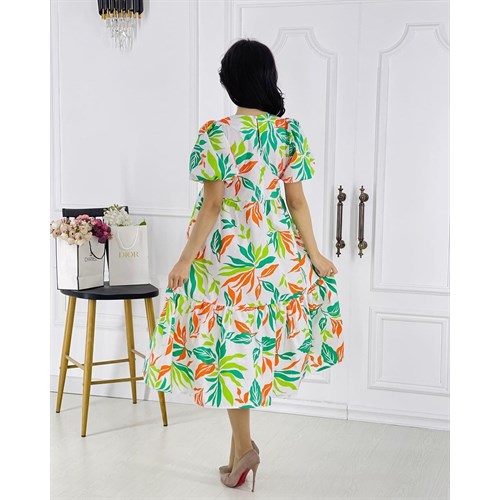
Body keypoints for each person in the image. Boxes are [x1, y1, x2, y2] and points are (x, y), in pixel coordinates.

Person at [143, 38, 344, 493]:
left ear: (230, 81)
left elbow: (213, 206)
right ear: (267, 79)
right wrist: (314, 255)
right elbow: (298, 203)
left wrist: (184, 259)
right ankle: (238, 456)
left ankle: (245, 450)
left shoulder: (216, 133)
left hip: (227, 259)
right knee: (247, 349)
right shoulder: (287, 133)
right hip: (272, 257)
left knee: (232, 351)